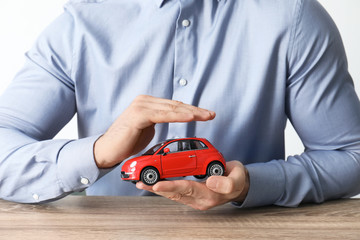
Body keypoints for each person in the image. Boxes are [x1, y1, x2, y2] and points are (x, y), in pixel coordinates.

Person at [0, 0, 359, 210]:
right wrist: (97, 152)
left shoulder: (292, 17)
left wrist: (254, 183)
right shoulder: (79, 26)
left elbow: (350, 155)